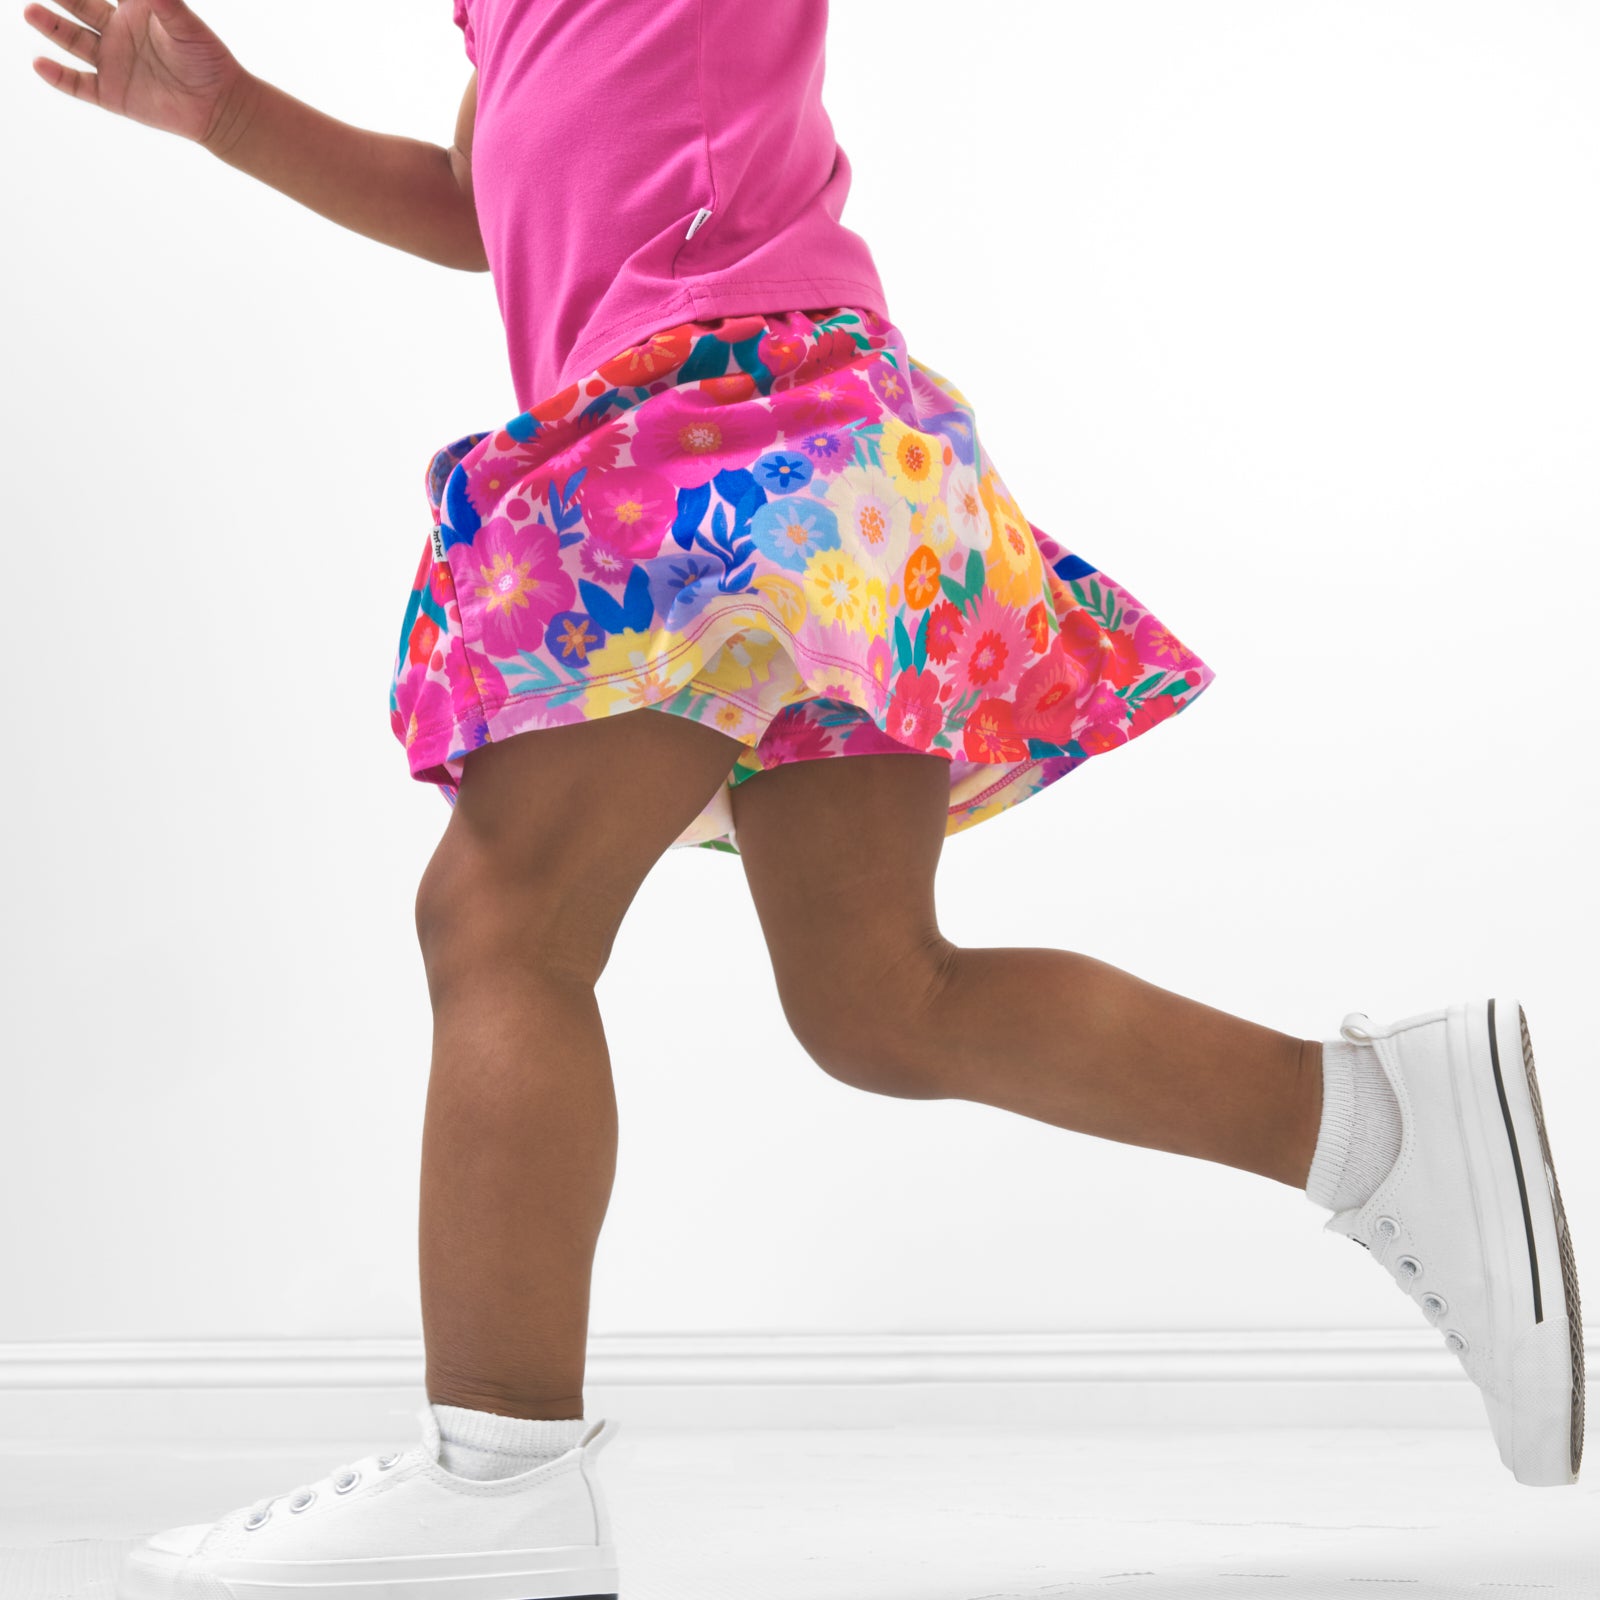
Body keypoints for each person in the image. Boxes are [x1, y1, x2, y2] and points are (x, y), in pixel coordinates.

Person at [26, 1, 1583, 1595]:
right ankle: (1385, 1127)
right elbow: (487, 203)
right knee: (878, 998)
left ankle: (497, 1479)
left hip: (729, 419)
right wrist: (235, 118)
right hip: (813, 455)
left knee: (501, 914)